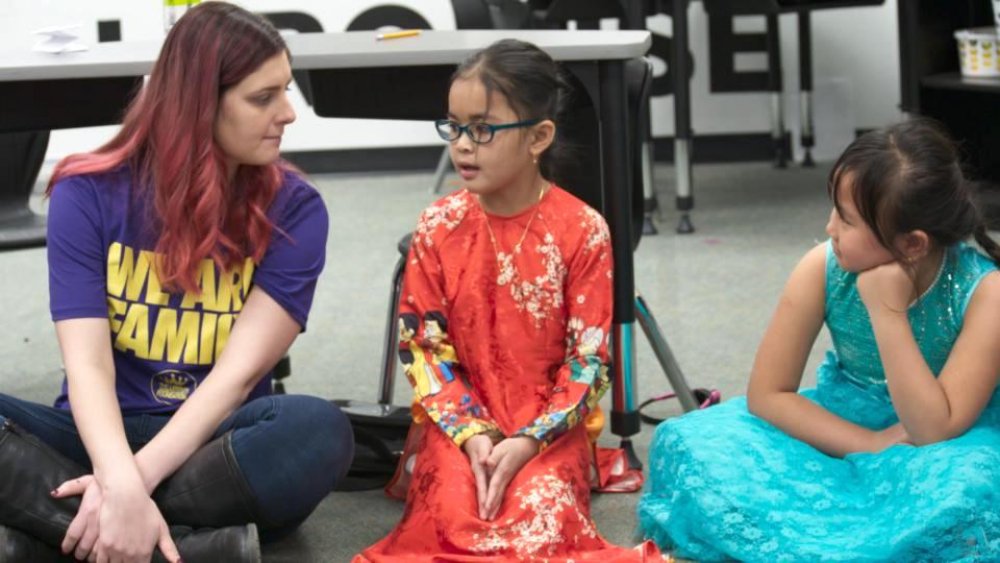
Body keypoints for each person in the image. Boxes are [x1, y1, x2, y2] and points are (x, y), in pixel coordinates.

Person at [0, 4, 353, 562]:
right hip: (98, 438)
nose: (288, 113)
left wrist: (127, 488)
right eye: (263, 98)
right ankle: (199, 548)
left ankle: (63, 536)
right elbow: (87, 366)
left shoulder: (296, 210)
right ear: (198, 106)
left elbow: (234, 381)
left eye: (285, 90)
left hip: (215, 443)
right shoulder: (86, 192)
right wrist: (117, 474)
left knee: (317, 431)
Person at [354, 39, 664, 562]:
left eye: (483, 128)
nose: (463, 145)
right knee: (452, 520)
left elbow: (588, 361)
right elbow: (423, 350)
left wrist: (526, 442)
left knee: (534, 524)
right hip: (458, 426)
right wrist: (472, 436)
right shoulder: (438, 225)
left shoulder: (584, 231)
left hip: (546, 429)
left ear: (540, 137)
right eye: (454, 126)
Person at [637, 119, 1000, 561]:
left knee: (968, 488)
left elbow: (933, 429)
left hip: (940, 441)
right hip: (839, 423)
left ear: (912, 244)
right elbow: (768, 393)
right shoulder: (822, 268)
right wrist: (867, 444)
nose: (829, 228)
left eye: (846, 220)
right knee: (690, 443)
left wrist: (888, 312)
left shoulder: (985, 292)